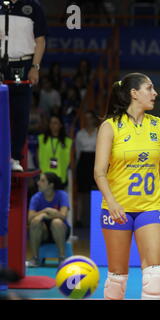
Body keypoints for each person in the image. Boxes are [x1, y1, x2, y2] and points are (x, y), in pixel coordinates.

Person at [94, 73, 160, 300]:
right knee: (117, 278)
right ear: (134, 94)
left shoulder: (159, 126)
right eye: (149, 88)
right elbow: (99, 172)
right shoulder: (110, 127)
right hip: (117, 210)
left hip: (150, 207)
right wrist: (113, 202)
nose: (155, 93)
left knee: (156, 277)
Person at [0, 0, 47, 172]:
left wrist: (35, 67)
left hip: (24, 64)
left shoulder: (33, 7)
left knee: (20, 115)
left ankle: (14, 157)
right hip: (1, 64)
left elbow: (40, 40)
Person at [27, 172, 71, 267]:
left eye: (42, 181)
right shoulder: (36, 197)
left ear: (51, 185)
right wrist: (44, 211)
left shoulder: (62, 195)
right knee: (35, 221)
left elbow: (63, 216)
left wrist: (46, 215)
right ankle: (35, 258)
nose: (38, 183)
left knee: (57, 222)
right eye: (39, 180)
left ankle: (62, 258)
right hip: (42, 233)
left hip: (61, 231)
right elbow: (29, 219)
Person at [75, 110, 98, 227]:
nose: (88, 120)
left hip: (95, 162)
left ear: (94, 119)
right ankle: (79, 219)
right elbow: (78, 152)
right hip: (83, 163)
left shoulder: (99, 132)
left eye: (90, 118)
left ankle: (97, 216)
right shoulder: (80, 134)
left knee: (97, 190)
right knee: (81, 193)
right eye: (86, 118)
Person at [37, 114, 73, 187]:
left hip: (60, 177)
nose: (52, 125)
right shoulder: (42, 139)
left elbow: (71, 161)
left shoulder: (67, 142)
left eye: (55, 123)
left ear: (61, 125)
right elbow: (38, 157)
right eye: (51, 123)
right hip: (45, 176)